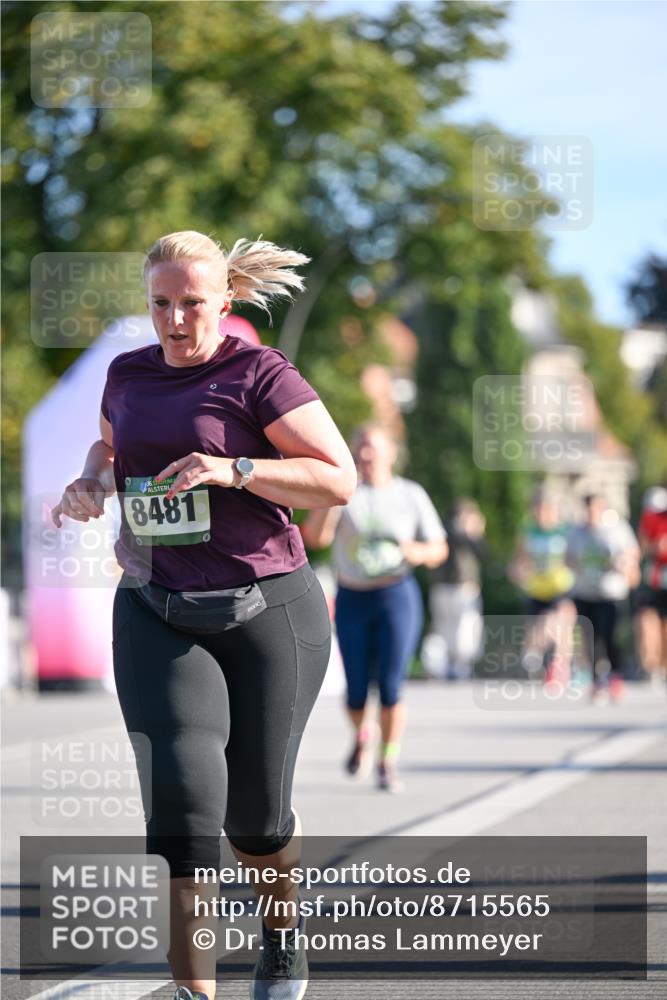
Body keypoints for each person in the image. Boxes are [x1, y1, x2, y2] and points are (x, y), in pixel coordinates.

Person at [52, 231, 357, 1000]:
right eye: (161, 303)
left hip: (267, 611)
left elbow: (336, 480)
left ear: (225, 299)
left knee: (254, 824)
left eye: (192, 303)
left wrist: (237, 468)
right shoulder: (128, 374)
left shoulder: (259, 374)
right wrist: (89, 484)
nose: (176, 319)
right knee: (184, 817)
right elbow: (109, 450)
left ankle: (281, 936)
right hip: (154, 608)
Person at [300, 424, 448, 793]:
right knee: (355, 691)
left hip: (396, 594)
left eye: (372, 448)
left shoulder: (410, 494)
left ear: (390, 453)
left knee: (391, 685)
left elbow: (439, 548)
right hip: (354, 597)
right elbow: (315, 538)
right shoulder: (345, 491)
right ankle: (363, 734)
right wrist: (332, 501)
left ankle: (387, 760)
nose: (366, 455)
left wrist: (419, 551)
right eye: (360, 448)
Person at [566, 494, 640, 702]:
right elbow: (568, 558)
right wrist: (574, 565)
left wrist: (624, 562)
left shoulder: (617, 528)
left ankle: (615, 677)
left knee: (609, 636)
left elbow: (633, 552)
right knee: (591, 639)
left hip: (610, 593)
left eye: (595, 509)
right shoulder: (577, 532)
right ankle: (597, 681)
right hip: (584, 592)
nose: (592, 514)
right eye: (588, 510)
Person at [509, 489, 576, 686]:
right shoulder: (527, 531)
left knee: (560, 623)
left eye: (547, 510)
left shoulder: (566, 531)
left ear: (555, 511)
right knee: (537, 632)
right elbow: (519, 559)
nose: (542, 515)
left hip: (561, 586)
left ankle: (560, 667)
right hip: (536, 589)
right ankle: (532, 656)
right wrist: (517, 571)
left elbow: (575, 557)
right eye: (538, 510)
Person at [421, 498, 486, 681]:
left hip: (460, 588)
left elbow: (483, 553)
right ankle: (447, 667)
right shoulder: (451, 530)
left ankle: (457, 667)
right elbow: (469, 544)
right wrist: (471, 531)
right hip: (451, 588)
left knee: (462, 631)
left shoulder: (442, 528)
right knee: (449, 631)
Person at [635, 486, 667, 687]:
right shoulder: (648, 520)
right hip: (652, 580)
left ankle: (663, 667)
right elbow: (641, 547)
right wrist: (653, 547)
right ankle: (650, 665)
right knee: (647, 620)